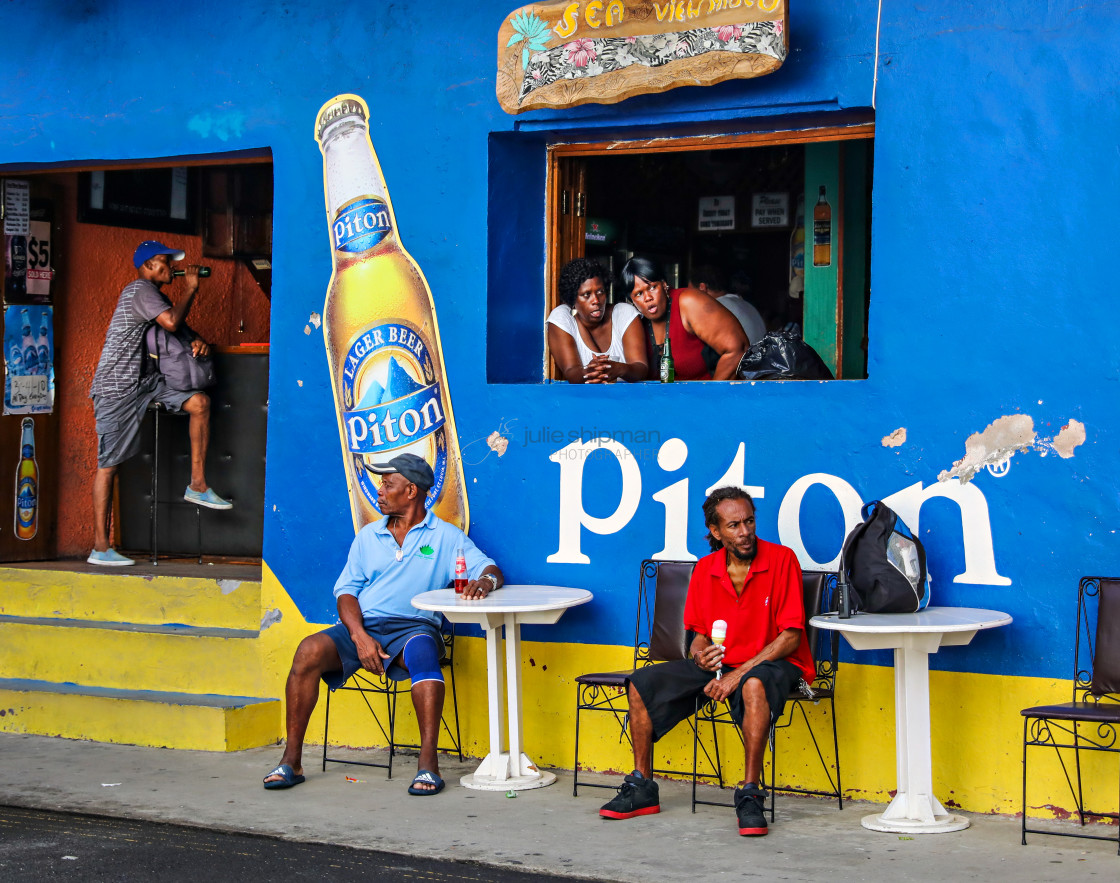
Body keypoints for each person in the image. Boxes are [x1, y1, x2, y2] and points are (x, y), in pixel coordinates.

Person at [263, 453, 504, 796]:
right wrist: (359, 636)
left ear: (410, 491)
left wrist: (486, 583)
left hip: (415, 628)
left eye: (387, 484)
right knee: (308, 651)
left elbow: (490, 569)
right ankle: (291, 761)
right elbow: (346, 594)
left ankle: (428, 766)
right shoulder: (368, 536)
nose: (379, 490)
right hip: (364, 626)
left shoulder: (446, 538)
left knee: (422, 653)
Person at [598, 486, 814, 836]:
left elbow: (790, 637)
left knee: (754, 684)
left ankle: (749, 793)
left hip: (774, 663)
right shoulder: (706, 569)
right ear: (716, 531)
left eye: (749, 522)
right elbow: (698, 636)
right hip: (721, 665)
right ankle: (642, 787)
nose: (744, 532)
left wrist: (737, 676)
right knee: (641, 682)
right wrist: (699, 655)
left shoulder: (782, 559)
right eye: (733, 525)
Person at [87, 241, 231, 567]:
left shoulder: (156, 295)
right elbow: (170, 322)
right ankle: (100, 546)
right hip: (117, 389)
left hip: (149, 385)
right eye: (166, 262)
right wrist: (191, 288)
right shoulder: (140, 289)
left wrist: (199, 342)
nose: (172, 268)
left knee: (199, 403)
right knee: (108, 465)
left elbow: (178, 332)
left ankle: (197, 484)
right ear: (149, 265)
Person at [621, 257, 747, 381]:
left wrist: (710, 398)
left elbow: (737, 349)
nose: (648, 297)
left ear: (664, 284)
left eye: (652, 287)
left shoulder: (689, 302)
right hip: (659, 400)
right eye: (638, 294)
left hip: (703, 398)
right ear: (631, 300)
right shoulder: (632, 322)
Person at [547, 257, 647, 383]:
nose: (596, 300)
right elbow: (571, 371)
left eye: (600, 291)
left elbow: (641, 368)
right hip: (585, 400)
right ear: (572, 299)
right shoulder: (562, 318)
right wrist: (589, 372)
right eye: (586, 295)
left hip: (627, 399)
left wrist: (620, 369)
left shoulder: (624, 313)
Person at [690, 264, 766, 351]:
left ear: (702, 288)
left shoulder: (716, 307)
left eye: (691, 293)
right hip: (759, 362)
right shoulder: (746, 304)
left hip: (743, 363)